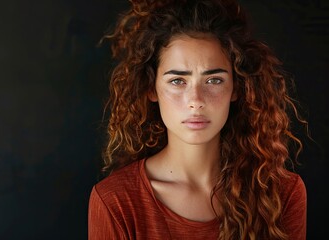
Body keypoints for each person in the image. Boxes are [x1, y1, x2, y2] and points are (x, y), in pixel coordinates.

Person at [88, 0, 308, 239]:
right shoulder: (116, 200)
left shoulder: (282, 193)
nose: (196, 100)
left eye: (213, 80)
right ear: (151, 89)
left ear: (236, 88)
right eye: (177, 81)